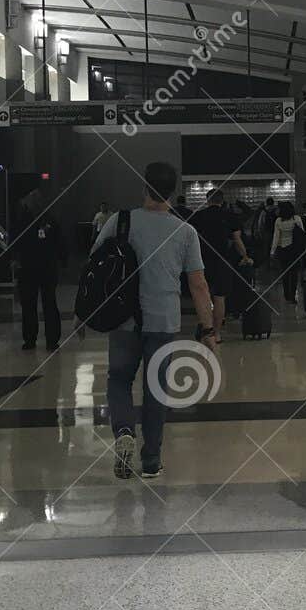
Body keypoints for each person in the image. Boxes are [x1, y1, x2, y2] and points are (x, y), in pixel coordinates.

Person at [92, 161, 219, 480]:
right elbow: (199, 285)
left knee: (119, 380)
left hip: (123, 321)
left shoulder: (119, 222)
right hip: (163, 322)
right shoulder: (185, 231)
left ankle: (123, 431)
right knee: (156, 390)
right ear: (173, 192)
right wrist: (208, 329)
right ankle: (151, 460)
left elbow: (94, 266)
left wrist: (86, 317)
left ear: (144, 187)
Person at [190, 186, 253, 336]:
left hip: (202, 261)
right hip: (223, 261)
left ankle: (206, 328)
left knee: (203, 295)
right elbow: (237, 241)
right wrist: (245, 256)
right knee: (220, 298)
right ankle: (216, 334)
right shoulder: (230, 216)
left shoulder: (198, 216)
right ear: (222, 201)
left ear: (207, 200)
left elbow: (191, 240)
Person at [12, 187, 66, 352]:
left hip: (32, 268)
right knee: (45, 303)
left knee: (33, 304)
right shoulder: (47, 220)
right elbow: (60, 244)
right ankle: (48, 339)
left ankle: (33, 339)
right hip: (43, 268)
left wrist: (15, 260)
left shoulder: (26, 221)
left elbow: (16, 244)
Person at [271, 200, 306, 305]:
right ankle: (293, 296)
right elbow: (302, 236)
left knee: (285, 273)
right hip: (294, 250)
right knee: (294, 274)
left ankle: (287, 295)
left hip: (282, 250)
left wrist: (272, 251)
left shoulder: (278, 221)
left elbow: (276, 237)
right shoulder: (297, 219)